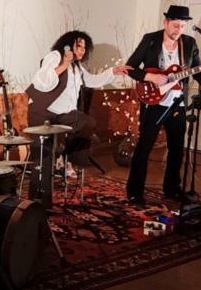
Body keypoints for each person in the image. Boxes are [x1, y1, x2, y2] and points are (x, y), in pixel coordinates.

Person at [125, 5, 201, 203]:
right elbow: (130, 68)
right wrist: (151, 77)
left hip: (177, 103)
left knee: (177, 150)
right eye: (175, 25)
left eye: (182, 26)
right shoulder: (150, 40)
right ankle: (135, 192)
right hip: (153, 102)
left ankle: (172, 189)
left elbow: (197, 73)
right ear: (165, 22)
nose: (178, 30)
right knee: (144, 147)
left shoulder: (189, 43)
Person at [25, 31, 131, 207]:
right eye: (78, 45)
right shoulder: (55, 56)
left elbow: (91, 80)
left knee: (86, 123)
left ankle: (66, 157)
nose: (82, 50)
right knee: (42, 157)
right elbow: (41, 81)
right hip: (41, 111)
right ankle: (39, 202)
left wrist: (113, 72)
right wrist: (63, 65)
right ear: (68, 45)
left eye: (84, 47)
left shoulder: (77, 67)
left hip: (63, 113)